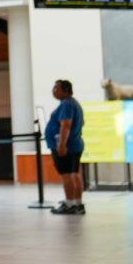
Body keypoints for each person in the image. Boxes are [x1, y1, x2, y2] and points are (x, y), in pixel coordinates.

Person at [46, 79, 85, 215]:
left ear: (65, 90)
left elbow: (65, 125)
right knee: (75, 174)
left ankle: (69, 204)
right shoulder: (73, 104)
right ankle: (77, 203)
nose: (54, 90)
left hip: (67, 147)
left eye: (56, 88)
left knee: (67, 175)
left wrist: (61, 145)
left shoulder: (66, 105)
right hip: (75, 145)